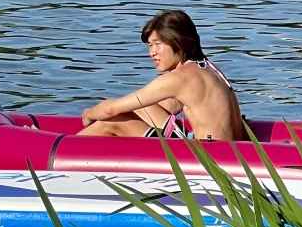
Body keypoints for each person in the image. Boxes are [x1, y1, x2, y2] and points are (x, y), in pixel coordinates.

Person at [76, 11, 246, 142]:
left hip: (206, 160)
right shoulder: (209, 69)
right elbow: (162, 108)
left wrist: (89, 114)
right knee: (140, 105)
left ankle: (65, 149)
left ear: (178, 42)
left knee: (111, 121)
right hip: (226, 152)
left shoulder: (180, 78)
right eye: (150, 46)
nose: (152, 53)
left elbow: (111, 110)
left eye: (157, 45)